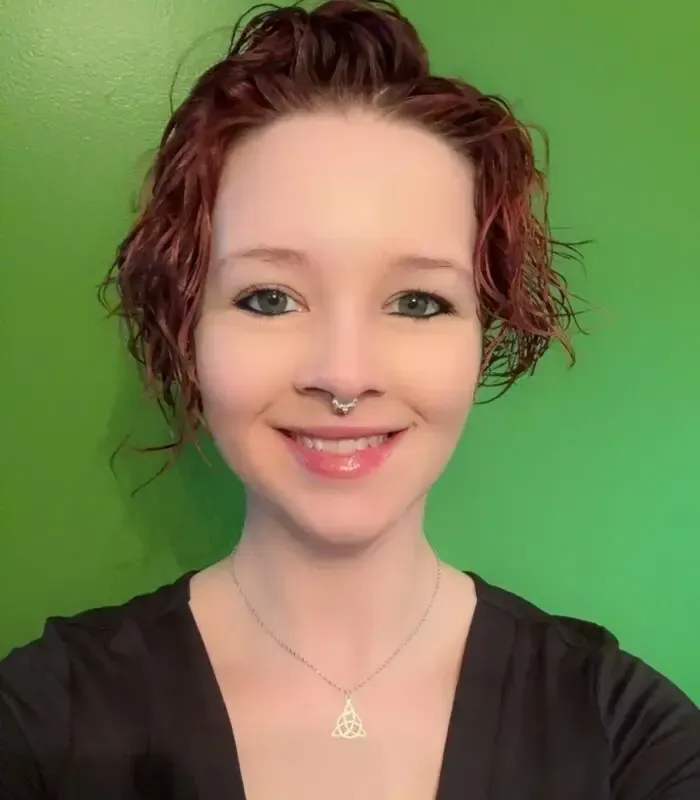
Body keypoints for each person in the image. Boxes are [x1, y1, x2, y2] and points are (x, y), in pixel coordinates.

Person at [1, 0, 699, 797]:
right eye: (269, 298)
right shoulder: (44, 727)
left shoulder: (625, 740)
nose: (343, 374)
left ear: (483, 335)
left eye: (417, 301)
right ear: (187, 331)